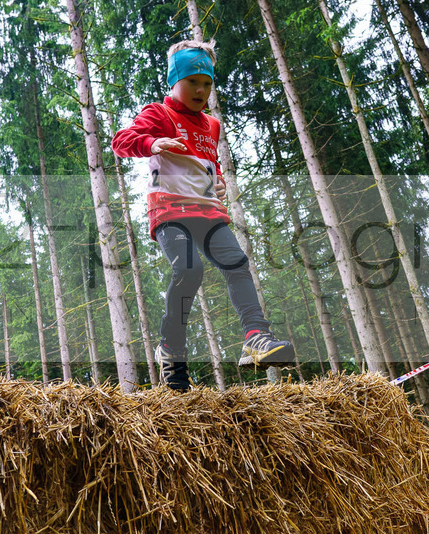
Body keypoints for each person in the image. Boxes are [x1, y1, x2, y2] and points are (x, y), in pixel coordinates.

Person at [111, 39, 294, 392]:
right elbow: (122, 140)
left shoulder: (212, 124)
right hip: (169, 208)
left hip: (209, 210)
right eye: (193, 80)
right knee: (188, 269)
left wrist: (220, 183)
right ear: (174, 80)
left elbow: (210, 163)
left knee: (237, 263)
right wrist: (154, 144)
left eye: (207, 83)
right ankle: (172, 353)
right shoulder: (159, 114)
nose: (200, 89)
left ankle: (256, 337)